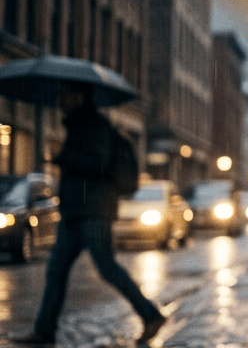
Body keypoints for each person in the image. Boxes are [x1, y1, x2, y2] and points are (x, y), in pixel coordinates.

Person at [12, 84, 165, 345]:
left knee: (106, 267)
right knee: (56, 270)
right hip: (75, 210)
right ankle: (44, 330)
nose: (60, 99)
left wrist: (65, 158)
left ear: (78, 97)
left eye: (64, 94)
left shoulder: (96, 126)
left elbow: (99, 164)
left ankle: (150, 315)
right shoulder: (77, 125)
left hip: (93, 210)